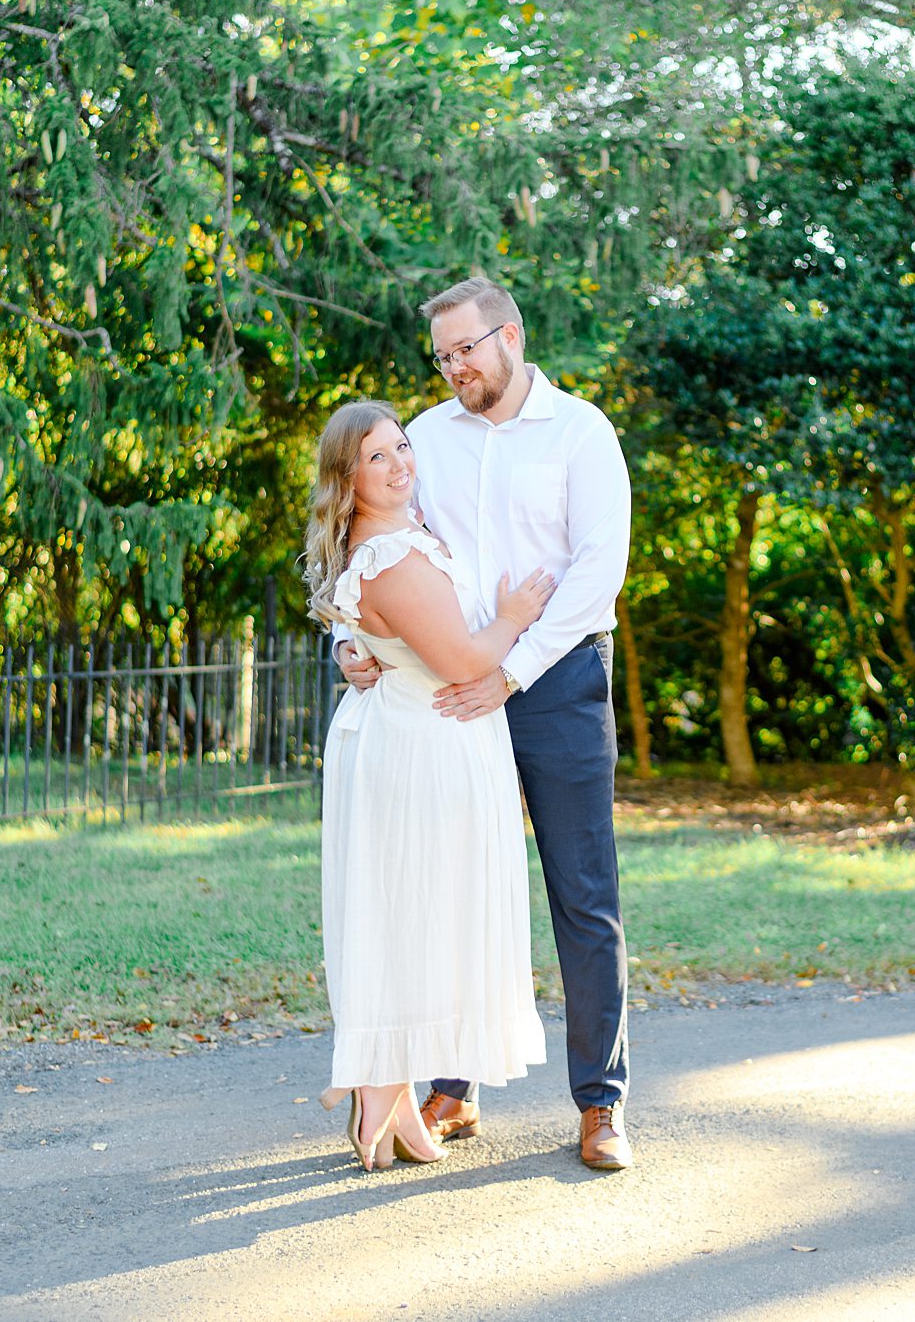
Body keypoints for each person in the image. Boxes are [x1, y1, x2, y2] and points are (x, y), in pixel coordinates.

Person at [335, 277, 635, 1171]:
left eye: (465, 349)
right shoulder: (424, 438)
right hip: (446, 695)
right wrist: (353, 644)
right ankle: (452, 1088)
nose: (454, 368)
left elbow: (599, 569)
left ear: (510, 336)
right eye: (442, 357)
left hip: (556, 678)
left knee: (582, 893)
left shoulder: (581, 432)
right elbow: (376, 547)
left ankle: (601, 1103)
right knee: (451, 887)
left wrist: (510, 669)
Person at [305, 399, 554, 1171]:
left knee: (410, 914)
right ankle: (379, 1085)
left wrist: (351, 644)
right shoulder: (391, 556)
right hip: (423, 748)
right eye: (376, 457)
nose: (399, 464)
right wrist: (514, 614)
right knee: (421, 914)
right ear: (348, 478)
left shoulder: (389, 541)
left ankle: (400, 1098)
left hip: (416, 737)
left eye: (402, 446)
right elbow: (462, 661)